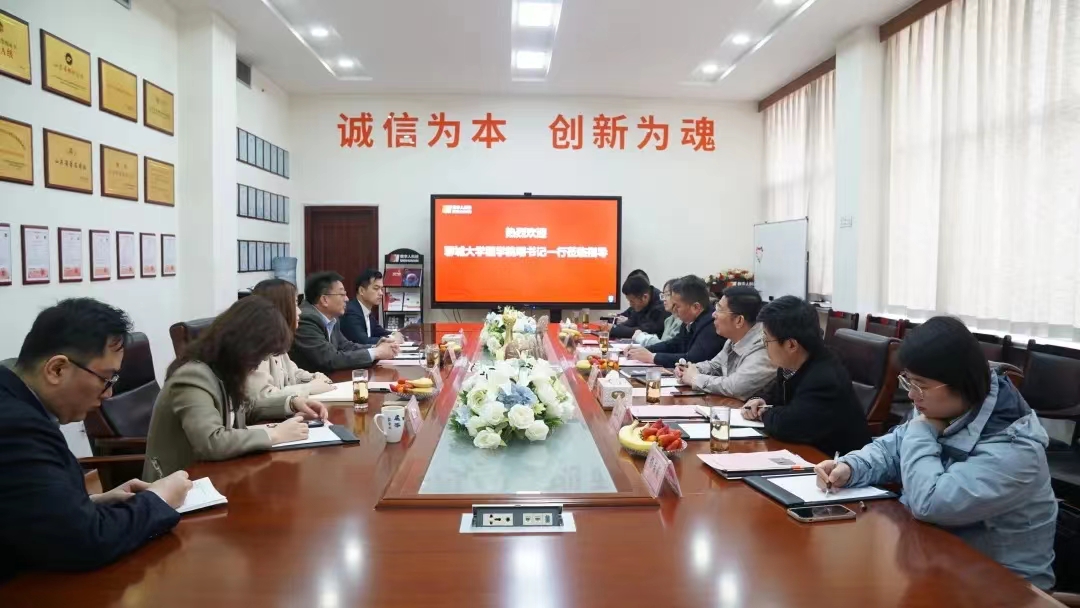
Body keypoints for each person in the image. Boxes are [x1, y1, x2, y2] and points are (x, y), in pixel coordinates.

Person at [814, 317, 1056, 590]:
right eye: (908, 382)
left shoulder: (1015, 447)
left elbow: (930, 503)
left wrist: (921, 429)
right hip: (938, 560)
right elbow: (894, 447)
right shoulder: (941, 404)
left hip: (1003, 587)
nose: (912, 395)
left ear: (961, 383)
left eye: (920, 385)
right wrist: (851, 466)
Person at [0, 299, 192, 578]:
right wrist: (158, 499)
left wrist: (90, 503)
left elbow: (23, 505)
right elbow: (84, 542)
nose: (109, 394)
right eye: (106, 379)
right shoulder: (15, 426)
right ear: (57, 369)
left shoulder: (15, 398)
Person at [144, 296, 329, 480]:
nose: (261, 362)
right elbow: (211, 442)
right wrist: (274, 434)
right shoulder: (193, 377)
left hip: (214, 475)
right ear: (243, 344)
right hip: (177, 485)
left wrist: (292, 404)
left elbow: (246, 409)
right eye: (261, 354)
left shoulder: (226, 370)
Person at [741, 296, 870, 455]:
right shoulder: (791, 365)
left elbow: (789, 425)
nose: (764, 345)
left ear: (791, 345)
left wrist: (763, 413)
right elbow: (774, 395)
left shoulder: (825, 378)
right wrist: (760, 401)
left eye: (766, 339)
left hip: (836, 462)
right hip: (805, 452)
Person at [675, 286, 776, 400]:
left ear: (739, 320)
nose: (713, 314)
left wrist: (695, 379)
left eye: (719, 309)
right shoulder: (734, 338)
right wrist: (688, 369)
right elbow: (715, 366)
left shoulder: (764, 344)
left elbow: (736, 387)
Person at [246, 279, 335, 409]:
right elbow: (262, 397)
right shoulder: (255, 345)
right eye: (295, 304)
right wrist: (310, 387)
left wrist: (314, 377)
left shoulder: (276, 339)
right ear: (279, 307)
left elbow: (293, 373)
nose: (299, 311)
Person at [290, 271, 400, 374]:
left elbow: (345, 346)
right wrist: (377, 352)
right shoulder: (306, 319)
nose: (347, 299)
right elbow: (330, 359)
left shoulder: (332, 318)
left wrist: (376, 346)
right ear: (324, 300)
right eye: (342, 294)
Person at [625, 275, 724, 367]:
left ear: (695, 307)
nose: (674, 309)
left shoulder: (711, 325)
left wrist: (653, 357)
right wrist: (644, 350)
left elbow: (693, 359)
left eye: (677, 306)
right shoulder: (690, 320)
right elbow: (674, 344)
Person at [340, 269, 404, 345]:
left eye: (381, 289)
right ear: (361, 291)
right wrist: (392, 338)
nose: (381, 293)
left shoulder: (366, 311)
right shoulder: (351, 312)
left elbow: (380, 331)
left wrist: (394, 334)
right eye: (376, 288)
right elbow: (363, 341)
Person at [608, 273, 668, 339]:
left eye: (632, 301)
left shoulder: (661, 307)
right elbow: (631, 322)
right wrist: (613, 328)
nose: (630, 305)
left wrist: (614, 330)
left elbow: (644, 331)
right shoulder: (641, 302)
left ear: (645, 297)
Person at [632, 279, 683, 347]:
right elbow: (663, 344)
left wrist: (641, 337)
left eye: (667, 295)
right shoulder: (668, 320)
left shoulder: (682, 322)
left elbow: (668, 347)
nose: (664, 299)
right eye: (663, 295)